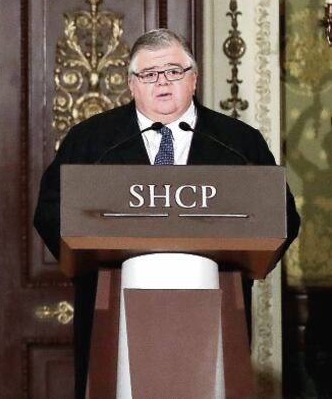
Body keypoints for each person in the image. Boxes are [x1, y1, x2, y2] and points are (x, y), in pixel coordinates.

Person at [33, 28, 300, 398]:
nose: (162, 82)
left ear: (193, 79)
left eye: (174, 71)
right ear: (131, 85)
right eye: (149, 74)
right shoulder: (90, 141)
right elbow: (49, 211)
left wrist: (242, 260)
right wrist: (92, 256)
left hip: (216, 299)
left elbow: (283, 215)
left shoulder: (239, 142)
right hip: (113, 299)